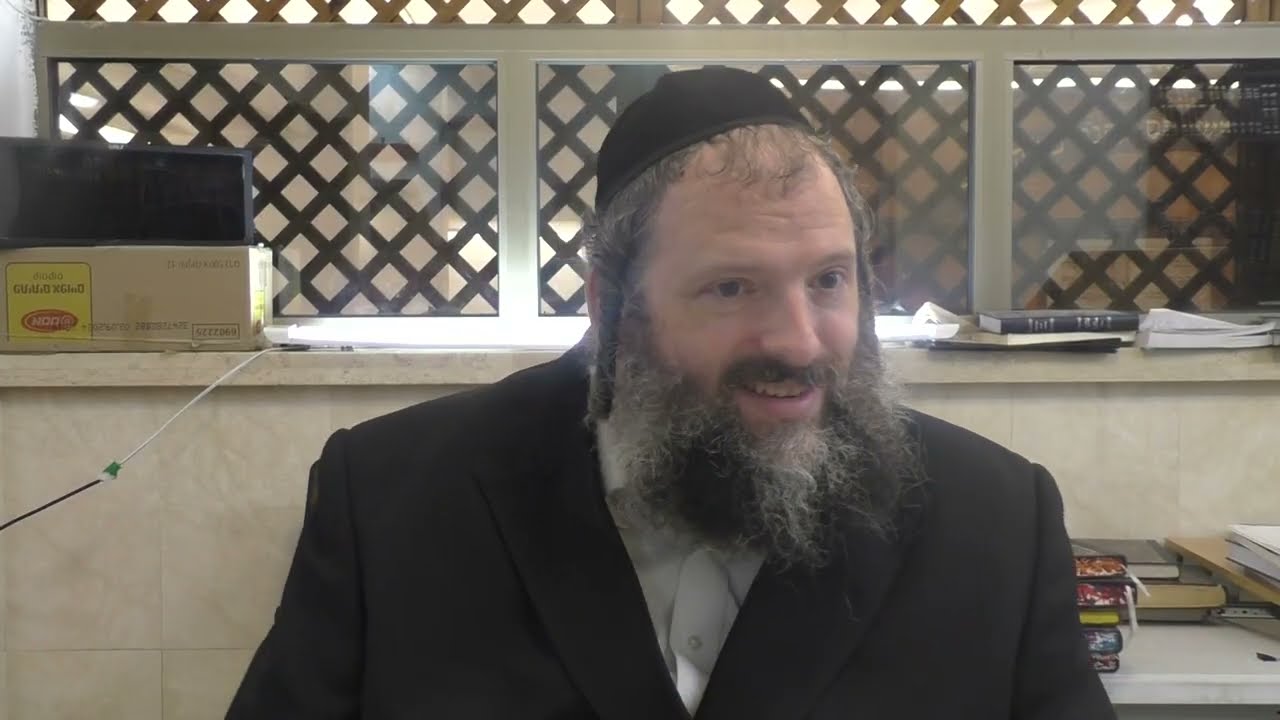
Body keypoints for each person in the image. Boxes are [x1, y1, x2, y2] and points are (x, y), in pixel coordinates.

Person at [226, 66, 1117, 719]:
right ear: (610, 306)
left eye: (829, 280)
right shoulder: (394, 500)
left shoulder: (996, 520)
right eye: (731, 287)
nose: (799, 342)